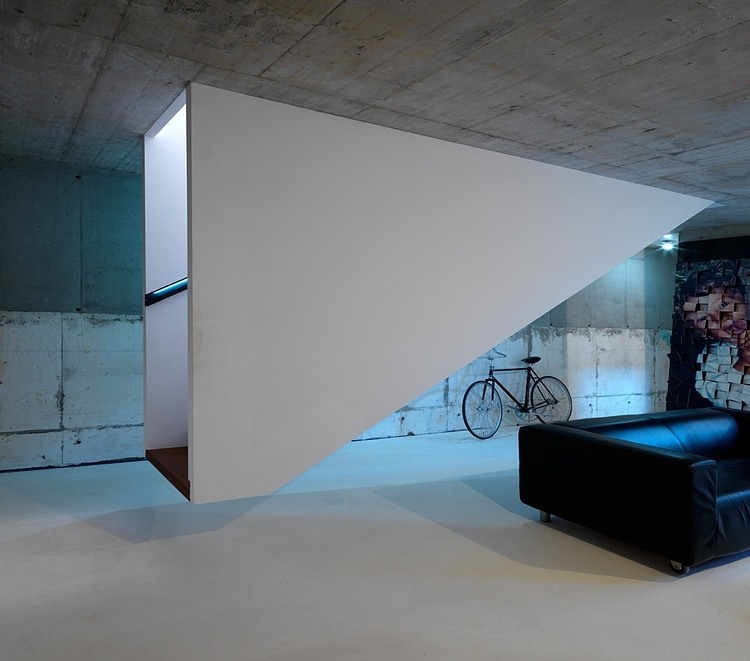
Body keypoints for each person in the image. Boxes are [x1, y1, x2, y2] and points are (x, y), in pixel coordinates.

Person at [682, 284, 750, 407]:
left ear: (745, 298)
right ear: (703, 333)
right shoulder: (713, 356)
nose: (719, 318)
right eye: (703, 318)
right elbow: (727, 402)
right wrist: (744, 364)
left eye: (724, 305)